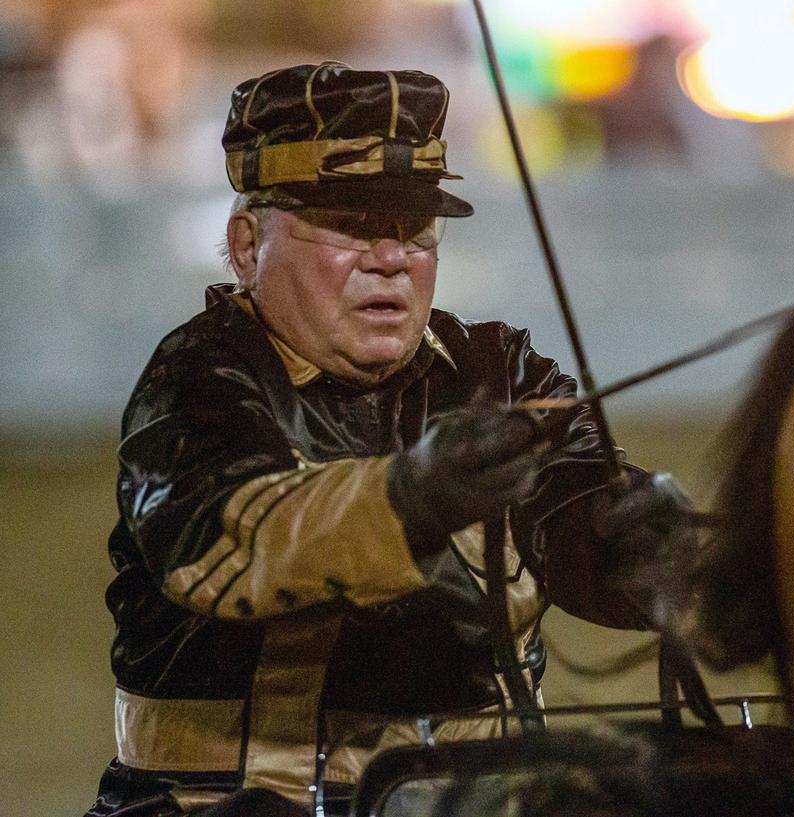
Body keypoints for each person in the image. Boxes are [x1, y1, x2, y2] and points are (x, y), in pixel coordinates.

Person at [84, 63, 697, 817]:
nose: (390, 258)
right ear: (247, 246)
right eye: (348, 226)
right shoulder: (201, 377)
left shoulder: (496, 370)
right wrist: (416, 494)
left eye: (414, 229)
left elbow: (579, 512)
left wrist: (663, 549)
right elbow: (229, 540)